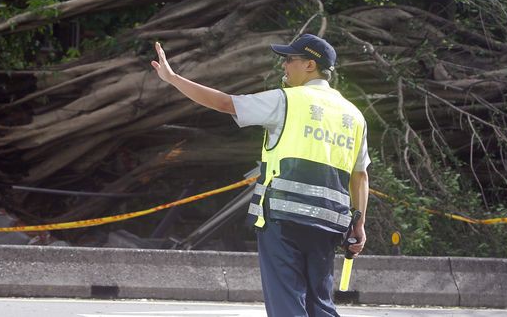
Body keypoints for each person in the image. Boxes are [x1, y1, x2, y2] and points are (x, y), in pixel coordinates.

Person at [150, 34, 370, 317]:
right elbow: (360, 175)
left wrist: (174, 79)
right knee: (320, 304)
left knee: (287, 304)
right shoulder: (354, 116)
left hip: (283, 220)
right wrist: (359, 224)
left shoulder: (287, 100)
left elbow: (226, 104)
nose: (284, 66)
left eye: (290, 59)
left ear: (310, 65)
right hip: (330, 224)